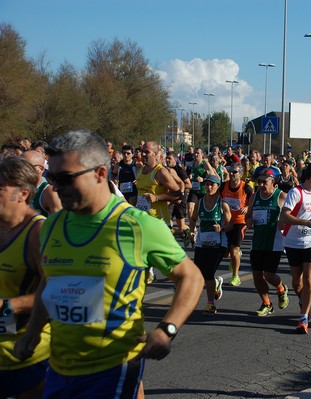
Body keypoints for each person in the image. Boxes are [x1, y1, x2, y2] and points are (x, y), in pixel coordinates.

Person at [13, 130, 203, 399]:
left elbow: (190, 277)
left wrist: (167, 329)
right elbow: (50, 282)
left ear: (100, 174)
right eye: (51, 177)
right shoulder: (52, 225)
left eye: (64, 178)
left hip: (113, 370)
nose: (54, 187)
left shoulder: (138, 226)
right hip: (59, 370)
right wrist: (32, 334)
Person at [0, 157, 51, 399]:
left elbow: (57, 291)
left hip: (29, 356)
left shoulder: (38, 232)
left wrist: (9, 306)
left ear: (22, 194)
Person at [280, 163, 311, 333]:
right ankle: (303, 300)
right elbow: (285, 215)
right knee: (297, 282)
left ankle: (303, 317)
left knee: (309, 279)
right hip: (292, 241)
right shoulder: (295, 193)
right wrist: (305, 222)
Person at [135, 141, 183, 283]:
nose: (143, 154)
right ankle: (148, 274)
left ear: (156, 154)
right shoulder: (139, 170)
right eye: (142, 151)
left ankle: (188, 279)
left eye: (147, 152)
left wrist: (157, 197)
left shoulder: (161, 172)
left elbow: (179, 196)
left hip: (159, 222)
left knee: (168, 262)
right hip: (142, 222)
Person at [245, 169, 289, 316]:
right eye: (259, 182)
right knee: (257, 275)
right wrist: (249, 221)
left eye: (265, 182)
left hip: (275, 242)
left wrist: (283, 222)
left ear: (273, 182)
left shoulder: (282, 196)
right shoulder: (254, 197)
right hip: (258, 242)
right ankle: (266, 303)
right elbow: (249, 216)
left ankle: (281, 288)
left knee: (269, 274)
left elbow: (293, 215)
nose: (261, 185)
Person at [189, 174, 232, 315]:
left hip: (219, 242)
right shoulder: (200, 202)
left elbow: (231, 224)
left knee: (208, 273)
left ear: (217, 186)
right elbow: (194, 218)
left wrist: (222, 228)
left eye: (211, 185)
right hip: (202, 241)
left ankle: (210, 304)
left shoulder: (222, 203)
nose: (208, 187)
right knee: (199, 274)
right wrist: (191, 231)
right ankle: (216, 285)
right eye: (206, 184)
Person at [220, 163, 253, 286]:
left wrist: (248, 207)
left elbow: (254, 201)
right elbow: (218, 200)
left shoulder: (246, 188)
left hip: (240, 222)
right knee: (225, 253)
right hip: (227, 221)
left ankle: (235, 276)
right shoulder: (223, 186)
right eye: (231, 172)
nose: (232, 174)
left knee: (234, 250)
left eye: (235, 172)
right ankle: (235, 255)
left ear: (240, 174)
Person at [22, 150, 62, 216]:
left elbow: (60, 222)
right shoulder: (18, 189)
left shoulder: (49, 192)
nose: (20, 170)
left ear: (40, 169)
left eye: (25, 167)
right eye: (18, 166)